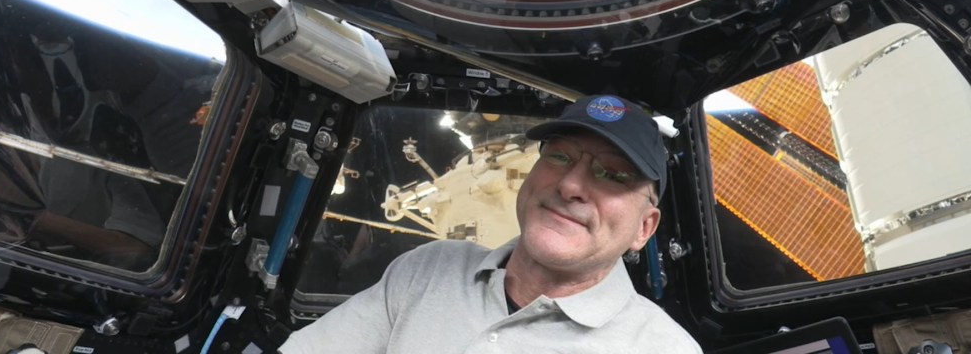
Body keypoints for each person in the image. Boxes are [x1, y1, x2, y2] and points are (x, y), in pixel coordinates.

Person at [280, 94, 703, 353]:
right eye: (560, 156)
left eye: (613, 175)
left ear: (643, 229)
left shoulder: (663, 349)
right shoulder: (428, 269)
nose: (571, 184)